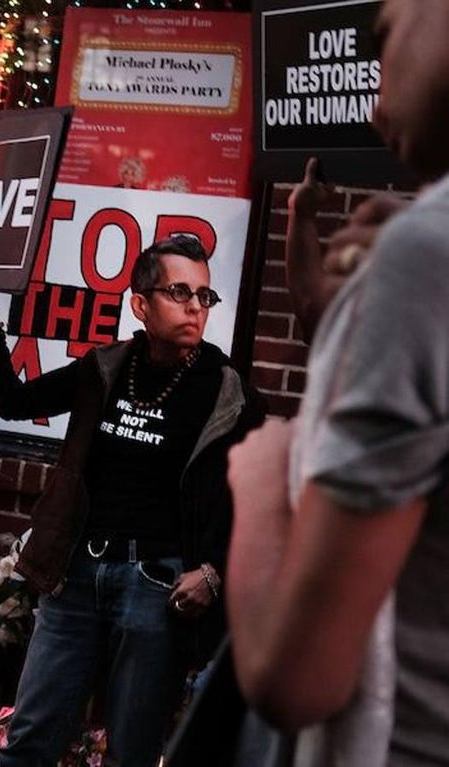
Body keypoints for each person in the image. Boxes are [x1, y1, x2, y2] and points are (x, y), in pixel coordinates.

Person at [226, 2, 449, 764]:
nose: (376, 99)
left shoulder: (426, 258)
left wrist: (261, 474)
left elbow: (295, 676)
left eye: (384, 32)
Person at [0, 235, 265, 767]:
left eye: (204, 296)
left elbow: (266, 491)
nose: (196, 306)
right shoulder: (104, 368)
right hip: (76, 575)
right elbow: (13, 401)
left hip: (157, 587)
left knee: (132, 751)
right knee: (30, 741)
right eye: (179, 292)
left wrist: (215, 569)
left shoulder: (226, 389)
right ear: (140, 304)